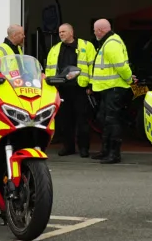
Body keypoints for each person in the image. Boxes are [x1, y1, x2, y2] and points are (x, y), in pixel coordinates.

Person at [44, 23, 96, 157]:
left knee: (82, 120)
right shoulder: (55, 49)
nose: (61, 34)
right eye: (60, 32)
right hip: (62, 89)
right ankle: (68, 147)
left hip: (80, 88)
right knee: (64, 121)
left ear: (71, 32)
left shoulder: (86, 46)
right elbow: (49, 69)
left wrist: (91, 86)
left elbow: (93, 67)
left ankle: (84, 148)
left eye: (64, 31)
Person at [90, 19, 133, 164]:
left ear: (100, 30)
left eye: (95, 30)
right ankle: (106, 150)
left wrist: (129, 80)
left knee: (112, 121)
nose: (94, 32)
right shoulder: (109, 42)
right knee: (105, 120)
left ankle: (114, 154)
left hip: (113, 88)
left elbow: (121, 66)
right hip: (107, 88)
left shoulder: (111, 44)